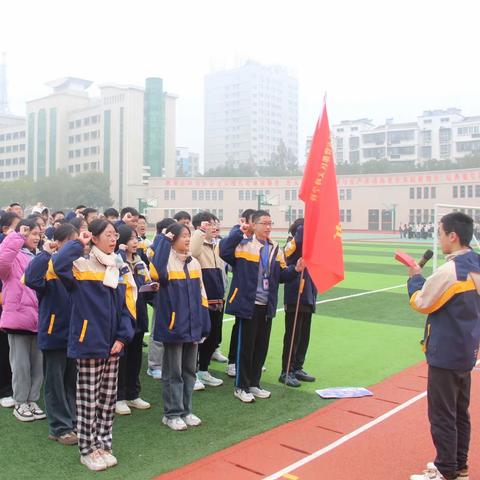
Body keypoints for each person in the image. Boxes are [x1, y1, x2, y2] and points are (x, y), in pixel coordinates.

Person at [53, 219, 136, 472]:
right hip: (89, 343)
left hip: (113, 345)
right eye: (107, 235)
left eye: (115, 235)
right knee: (88, 399)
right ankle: (87, 449)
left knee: (107, 399)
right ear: (95, 238)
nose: (113, 239)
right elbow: (57, 265)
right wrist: (79, 242)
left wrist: (122, 338)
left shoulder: (120, 266)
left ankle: (104, 445)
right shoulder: (80, 265)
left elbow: (129, 304)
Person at [408, 212, 480, 480]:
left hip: (446, 351)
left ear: (453, 236)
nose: (438, 239)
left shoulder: (450, 271)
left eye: (440, 234)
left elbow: (421, 302)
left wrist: (415, 277)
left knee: (442, 415)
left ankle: (446, 470)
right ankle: (458, 465)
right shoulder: (476, 263)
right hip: (467, 349)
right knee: (460, 412)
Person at [219, 210, 303, 403]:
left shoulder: (274, 247)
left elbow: (281, 275)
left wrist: (295, 270)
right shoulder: (243, 244)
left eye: (270, 223)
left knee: (260, 347)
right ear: (254, 225)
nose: (268, 227)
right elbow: (223, 251)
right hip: (246, 304)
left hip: (267, 305)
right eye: (264, 223)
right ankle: (241, 386)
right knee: (245, 348)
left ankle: (254, 383)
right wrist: (240, 232)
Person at [150, 222, 210, 430]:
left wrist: (204, 323)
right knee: (173, 373)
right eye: (183, 235)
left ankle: (186, 410)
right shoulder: (165, 262)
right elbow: (156, 273)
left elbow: (202, 294)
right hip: (173, 327)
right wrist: (162, 241)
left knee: (189, 371)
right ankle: (172, 413)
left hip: (193, 326)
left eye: (188, 235)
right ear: (172, 240)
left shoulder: (193, 263)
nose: (187, 239)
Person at [24, 224, 79, 444]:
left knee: (70, 382)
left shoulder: (78, 266)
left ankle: (72, 422)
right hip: (54, 333)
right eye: (72, 242)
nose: (76, 247)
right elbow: (31, 279)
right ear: (60, 243)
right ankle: (59, 428)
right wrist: (46, 252)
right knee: (55, 383)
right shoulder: (47, 264)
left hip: (75, 334)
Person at [0, 219, 45, 422]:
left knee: (37, 365)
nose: (36, 237)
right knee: (20, 365)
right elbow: (2, 264)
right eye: (31, 233)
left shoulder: (41, 256)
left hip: (40, 319)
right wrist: (17, 236)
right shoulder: (13, 255)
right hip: (18, 318)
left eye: (38, 233)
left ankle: (32, 400)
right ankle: (20, 402)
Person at [115, 225, 153, 415]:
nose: (135, 242)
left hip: (139, 317)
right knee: (122, 359)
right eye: (131, 238)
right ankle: (119, 396)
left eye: (136, 238)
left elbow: (146, 285)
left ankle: (133, 393)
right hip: (123, 318)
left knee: (135, 358)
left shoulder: (140, 261)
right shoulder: (116, 261)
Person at [279, 220, 317, 387]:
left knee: (304, 335)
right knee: (293, 335)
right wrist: (309, 220)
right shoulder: (292, 244)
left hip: (308, 293)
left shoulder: (309, 247)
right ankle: (286, 371)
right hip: (296, 294)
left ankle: (298, 367)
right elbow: (299, 240)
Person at [191, 212, 225, 388]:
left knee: (213, 337)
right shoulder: (196, 243)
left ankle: (204, 370)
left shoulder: (216, 245)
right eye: (209, 224)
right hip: (204, 300)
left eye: (215, 223)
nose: (214, 226)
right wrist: (199, 232)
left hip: (218, 298)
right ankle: (193, 372)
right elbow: (193, 252)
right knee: (201, 337)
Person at [225, 209, 256, 378]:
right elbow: (225, 251)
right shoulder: (237, 236)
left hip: (256, 296)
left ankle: (246, 362)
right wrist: (240, 231)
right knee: (240, 329)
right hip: (241, 294)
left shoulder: (260, 242)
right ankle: (232, 363)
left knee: (252, 333)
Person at [145, 218, 176, 380]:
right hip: (161, 295)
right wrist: (162, 240)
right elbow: (155, 265)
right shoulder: (154, 248)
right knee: (157, 330)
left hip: (176, 297)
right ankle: (154, 365)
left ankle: (168, 364)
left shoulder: (178, 249)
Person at [0, 211, 21, 409]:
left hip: (11, 306)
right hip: (6, 304)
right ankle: (5, 389)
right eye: (18, 228)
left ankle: (11, 388)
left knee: (9, 350)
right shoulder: (6, 247)